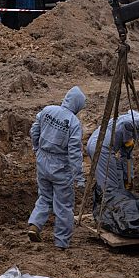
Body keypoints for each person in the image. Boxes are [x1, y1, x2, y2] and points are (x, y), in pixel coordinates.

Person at [26, 86, 86, 249]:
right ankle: (61, 241)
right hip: (60, 166)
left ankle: (35, 225)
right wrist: (79, 177)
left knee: (45, 196)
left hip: (43, 160)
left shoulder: (48, 110)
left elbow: (34, 130)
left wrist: (37, 149)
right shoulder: (73, 123)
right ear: (78, 105)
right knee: (64, 204)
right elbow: (74, 152)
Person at [86, 110, 139, 197]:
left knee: (118, 170)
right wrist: (127, 139)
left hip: (95, 141)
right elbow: (126, 124)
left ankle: (120, 194)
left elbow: (126, 157)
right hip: (102, 147)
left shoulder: (133, 128)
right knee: (110, 183)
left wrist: (128, 178)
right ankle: (110, 203)